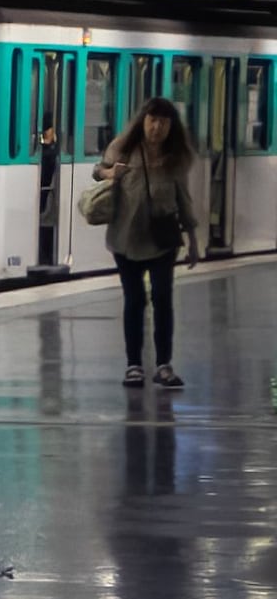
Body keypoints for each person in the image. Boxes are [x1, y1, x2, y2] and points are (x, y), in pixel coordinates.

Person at [94, 95, 198, 388]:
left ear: (171, 127)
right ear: (143, 121)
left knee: (163, 299)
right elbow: (97, 170)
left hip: (163, 238)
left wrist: (191, 239)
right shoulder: (123, 147)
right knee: (135, 300)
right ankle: (133, 365)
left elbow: (184, 199)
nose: (156, 128)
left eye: (163, 123)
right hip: (125, 237)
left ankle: (164, 364)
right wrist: (108, 172)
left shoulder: (175, 156)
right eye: (152, 121)